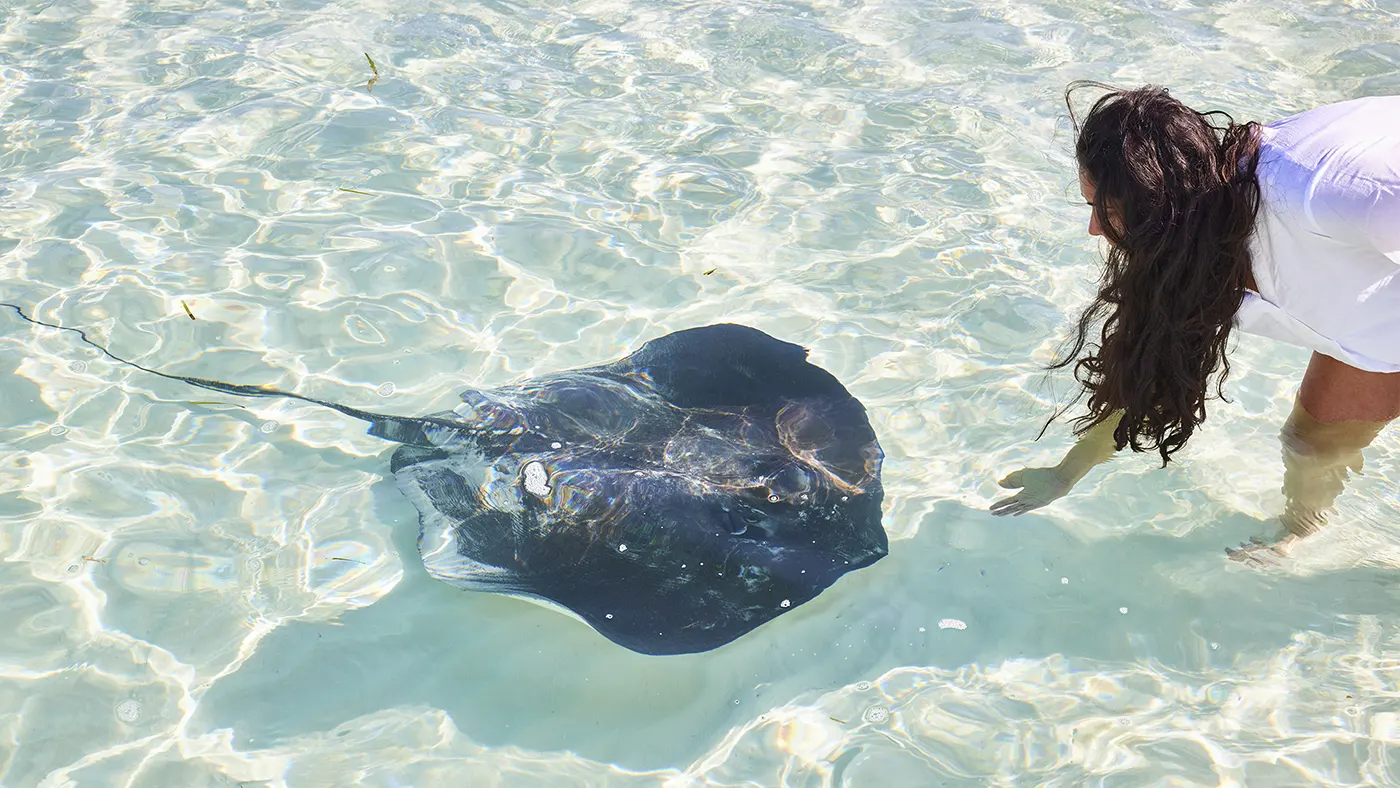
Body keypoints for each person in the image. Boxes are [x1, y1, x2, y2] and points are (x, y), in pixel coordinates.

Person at [990, 83, 1400, 563]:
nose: (1094, 230)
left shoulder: (1325, 194)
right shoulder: (1183, 248)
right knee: (1311, 443)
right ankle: (1302, 532)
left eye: (1105, 210)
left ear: (1152, 203)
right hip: (1371, 322)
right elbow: (1147, 374)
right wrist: (1066, 474)